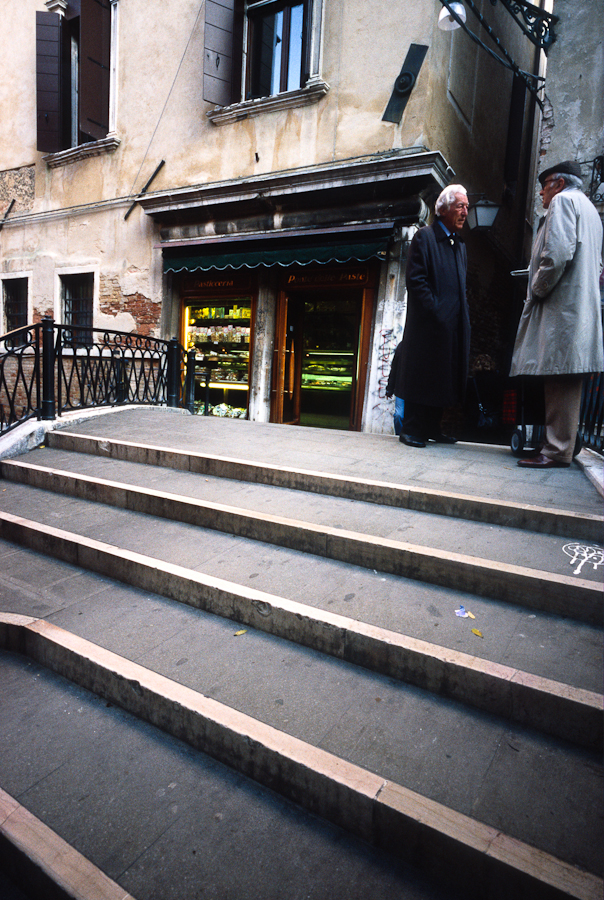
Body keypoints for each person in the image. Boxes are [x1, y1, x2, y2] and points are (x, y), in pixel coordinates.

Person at [510, 160, 603, 468]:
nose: (541, 192)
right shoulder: (590, 210)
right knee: (568, 378)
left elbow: (557, 254)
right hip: (581, 310)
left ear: (559, 184)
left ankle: (556, 450)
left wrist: (537, 288)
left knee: (559, 376)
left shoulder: (563, 202)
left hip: (562, 310)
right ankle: (566, 444)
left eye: (545, 184)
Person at [397, 184, 470, 447]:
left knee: (443, 377)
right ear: (443, 209)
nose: (465, 212)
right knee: (423, 375)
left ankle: (432, 427)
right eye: (460, 206)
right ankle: (411, 429)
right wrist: (436, 311)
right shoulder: (425, 237)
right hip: (429, 325)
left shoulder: (459, 245)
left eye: (467, 207)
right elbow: (416, 281)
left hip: (452, 325)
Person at [385, 340, 404, 435]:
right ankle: (399, 435)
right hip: (401, 388)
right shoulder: (402, 346)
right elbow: (394, 368)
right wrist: (390, 389)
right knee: (399, 415)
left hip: (415, 390)